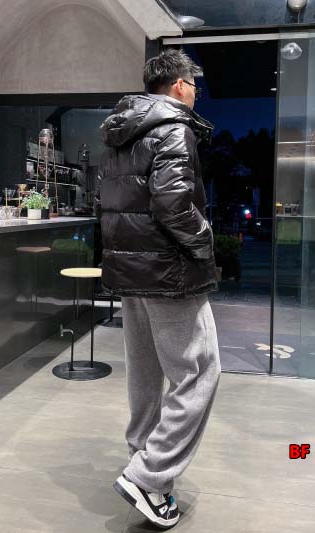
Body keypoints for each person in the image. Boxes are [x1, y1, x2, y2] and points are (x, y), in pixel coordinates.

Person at [95, 48, 221, 529]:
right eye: (194, 85)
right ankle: (149, 478)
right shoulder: (173, 128)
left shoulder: (119, 132)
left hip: (131, 271)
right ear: (179, 85)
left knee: (145, 374)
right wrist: (206, 243)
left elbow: (111, 201)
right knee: (199, 372)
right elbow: (173, 204)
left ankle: (142, 458)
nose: (196, 93)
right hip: (169, 272)